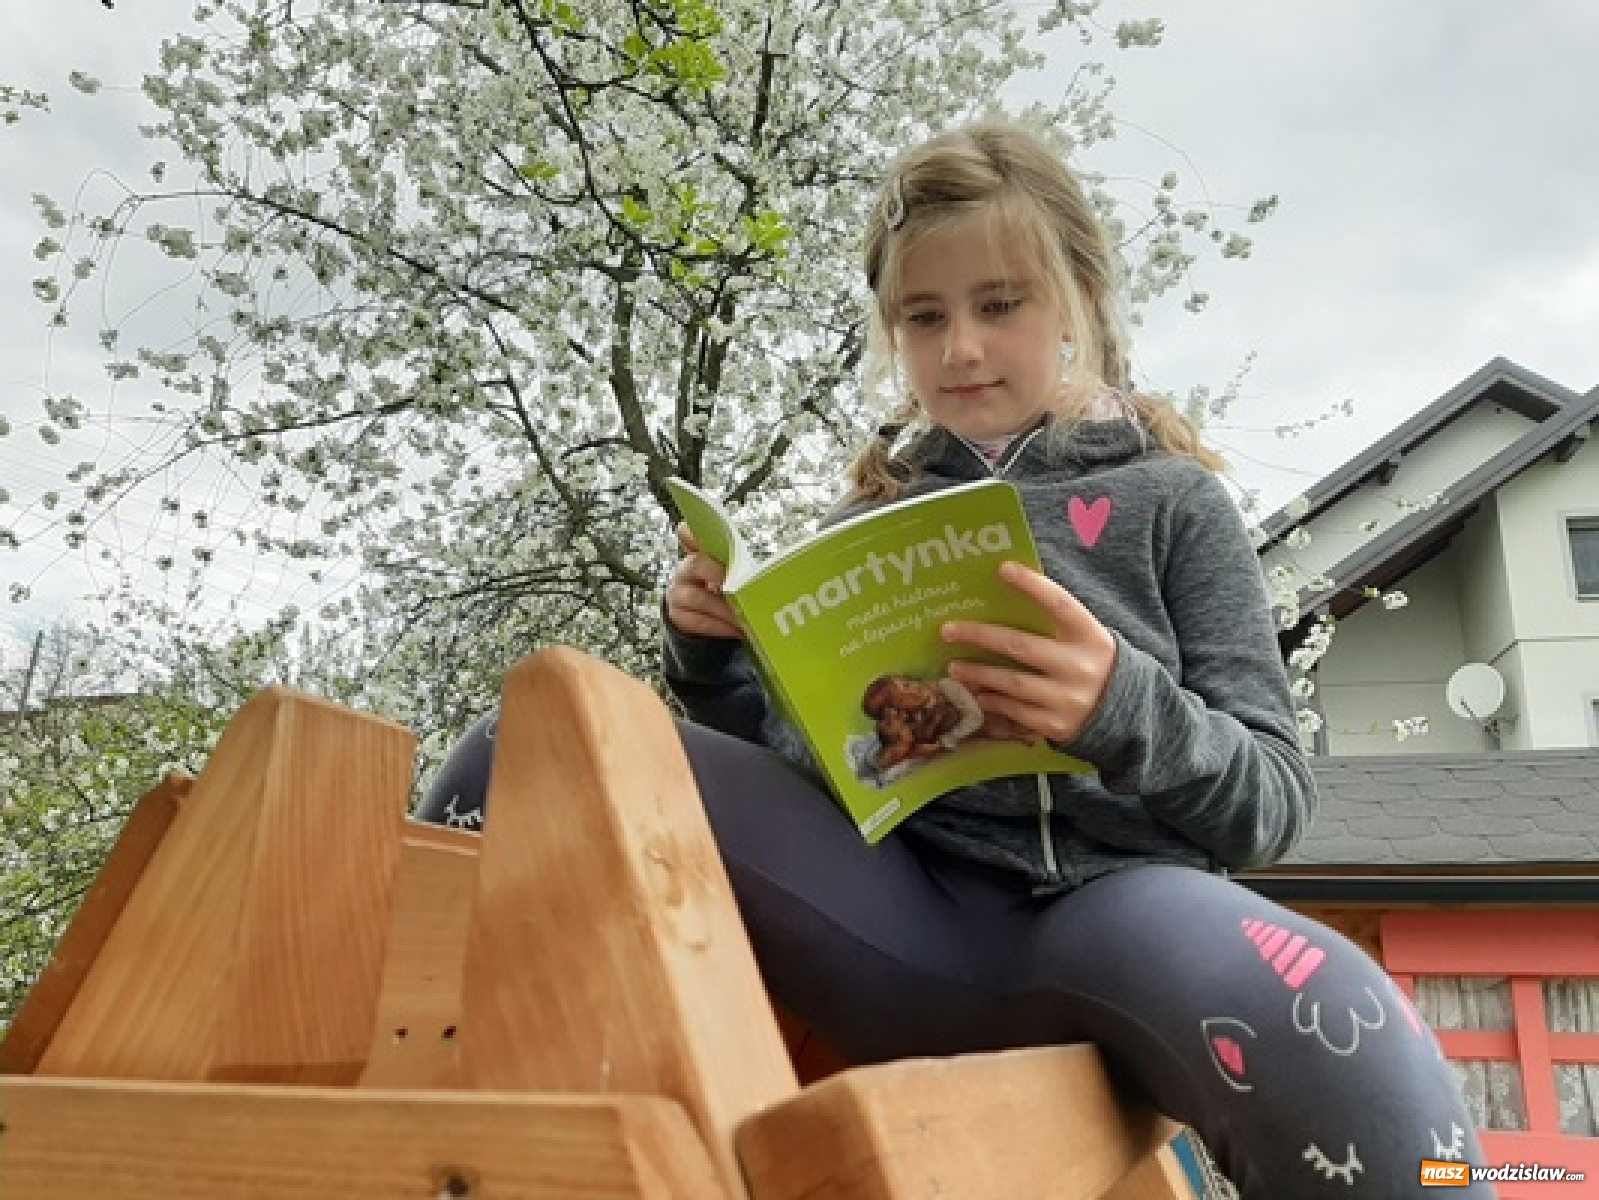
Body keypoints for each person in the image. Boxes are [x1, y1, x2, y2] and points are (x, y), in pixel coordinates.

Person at [418, 120, 1491, 1197]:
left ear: (1076, 297)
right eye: (923, 318)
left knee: (1351, 1033)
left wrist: (1120, 706)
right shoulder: (863, 520)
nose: (962, 349)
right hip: (891, 917)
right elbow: (814, 773)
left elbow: (1271, 804)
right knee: (536, 740)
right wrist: (714, 661)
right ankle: (386, 1084)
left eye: (1000, 305)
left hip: (1116, 922)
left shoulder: (1173, 503)